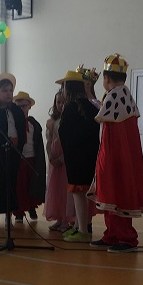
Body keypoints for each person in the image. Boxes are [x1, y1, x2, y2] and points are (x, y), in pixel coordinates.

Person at [87, 54, 143, 252]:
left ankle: (126, 238)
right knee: (111, 195)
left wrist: (105, 162)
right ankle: (112, 234)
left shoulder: (114, 96)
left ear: (106, 79)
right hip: (118, 156)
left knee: (118, 193)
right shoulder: (123, 95)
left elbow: (108, 132)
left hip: (115, 157)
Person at [56, 70, 100, 242]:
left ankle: (82, 231)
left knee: (78, 194)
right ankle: (78, 226)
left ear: (69, 88)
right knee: (83, 193)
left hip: (76, 158)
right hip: (90, 156)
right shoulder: (91, 106)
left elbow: (65, 132)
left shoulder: (71, 107)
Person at [0, 73, 26, 230]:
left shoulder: (16, 110)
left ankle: (9, 217)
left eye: (10, 90)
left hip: (13, 152)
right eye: (5, 91)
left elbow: (21, 129)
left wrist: (18, 145)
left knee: (11, 184)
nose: (9, 94)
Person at [12, 91, 46, 222]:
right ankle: (19, 212)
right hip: (19, 159)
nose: (22, 109)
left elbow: (37, 142)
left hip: (32, 158)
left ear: (29, 106)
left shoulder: (33, 124)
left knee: (32, 185)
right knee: (19, 187)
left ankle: (32, 207)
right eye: (19, 106)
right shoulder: (13, 124)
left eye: (24, 106)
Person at [44, 90, 75, 231]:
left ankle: (67, 219)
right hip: (54, 159)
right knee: (55, 188)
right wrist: (51, 156)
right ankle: (59, 218)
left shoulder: (71, 120)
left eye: (64, 102)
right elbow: (49, 141)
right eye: (58, 102)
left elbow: (71, 143)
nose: (61, 105)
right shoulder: (51, 122)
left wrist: (62, 159)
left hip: (65, 159)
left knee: (65, 189)